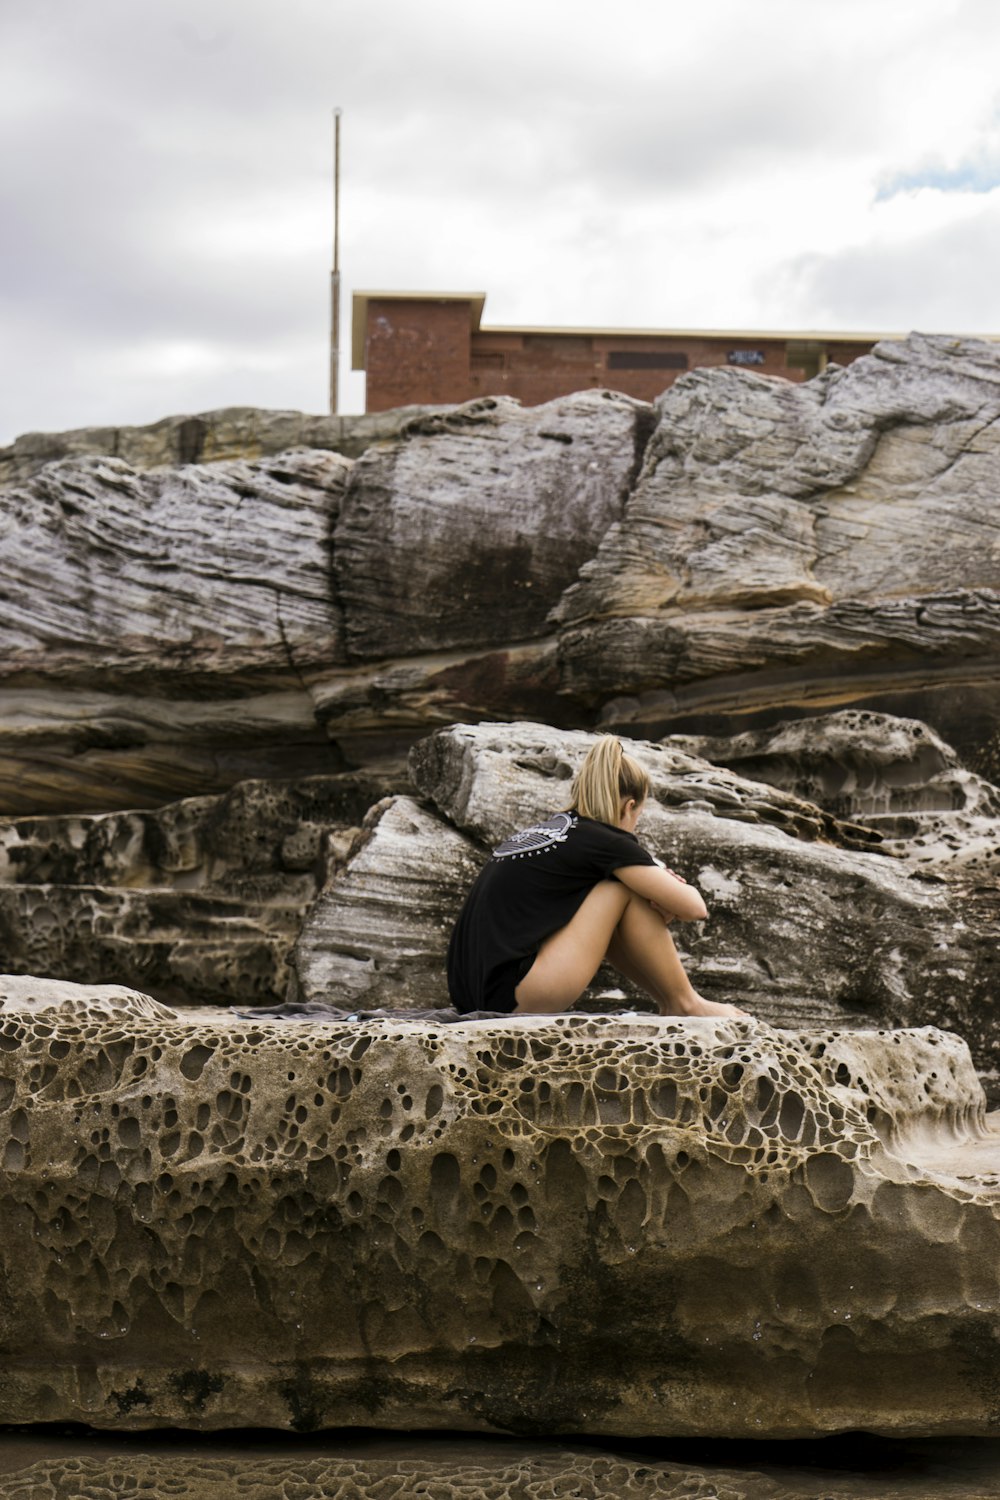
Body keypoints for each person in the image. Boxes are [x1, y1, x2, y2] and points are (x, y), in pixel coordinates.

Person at [447, 735, 746, 1018]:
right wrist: (653, 876)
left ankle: (673, 1002)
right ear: (629, 807)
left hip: (474, 995)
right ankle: (685, 1002)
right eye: (638, 815)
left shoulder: (553, 832)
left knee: (616, 889)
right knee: (621, 888)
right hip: (514, 997)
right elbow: (694, 907)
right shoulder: (605, 841)